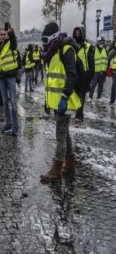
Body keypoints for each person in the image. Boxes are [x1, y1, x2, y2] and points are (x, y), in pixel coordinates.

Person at [40, 18, 81, 181]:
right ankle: (70, 166)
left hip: (66, 101)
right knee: (66, 134)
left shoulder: (66, 49)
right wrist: (47, 100)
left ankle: (56, 170)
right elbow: (51, 80)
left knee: (60, 136)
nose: (43, 44)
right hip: (57, 102)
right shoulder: (53, 52)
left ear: (53, 37)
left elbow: (72, 75)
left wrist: (64, 97)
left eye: (45, 40)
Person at [0, 23, 19, 136]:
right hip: (1, 78)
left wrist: (11, 32)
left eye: (4, 34)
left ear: (7, 35)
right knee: (5, 102)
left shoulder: (11, 44)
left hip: (10, 76)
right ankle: (8, 124)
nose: (2, 36)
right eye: (1, 34)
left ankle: (15, 126)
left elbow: (13, 40)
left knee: (13, 102)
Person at [72, 27, 93, 126]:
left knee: (81, 96)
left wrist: (90, 76)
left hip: (84, 75)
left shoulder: (88, 47)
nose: (77, 35)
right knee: (76, 95)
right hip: (74, 73)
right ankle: (80, 114)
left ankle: (77, 117)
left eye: (79, 33)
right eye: (75, 34)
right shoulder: (72, 46)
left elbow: (91, 62)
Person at [87, 36, 107, 103]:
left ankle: (99, 97)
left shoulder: (105, 50)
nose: (102, 44)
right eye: (101, 43)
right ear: (98, 43)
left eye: (103, 43)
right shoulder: (94, 50)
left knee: (100, 85)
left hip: (103, 71)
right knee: (93, 85)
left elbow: (107, 60)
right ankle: (90, 97)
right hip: (96, 71)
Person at [109, 35, 116, 105]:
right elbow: (109, 56)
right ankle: (112, 99)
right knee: (114, 85)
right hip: (115, 70)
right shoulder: (114, 46)